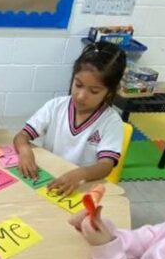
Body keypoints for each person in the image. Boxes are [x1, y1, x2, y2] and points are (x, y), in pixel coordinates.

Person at [13, 41, 127, 196]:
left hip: (82, 185)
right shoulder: (55, 106)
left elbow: (106, 165)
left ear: (109, 92)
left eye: (94, 91)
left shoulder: (111, 121)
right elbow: (22, 136)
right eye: (78, 85)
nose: (81, 96)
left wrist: (80, 174)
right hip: (49, 178)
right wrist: (25, 150)